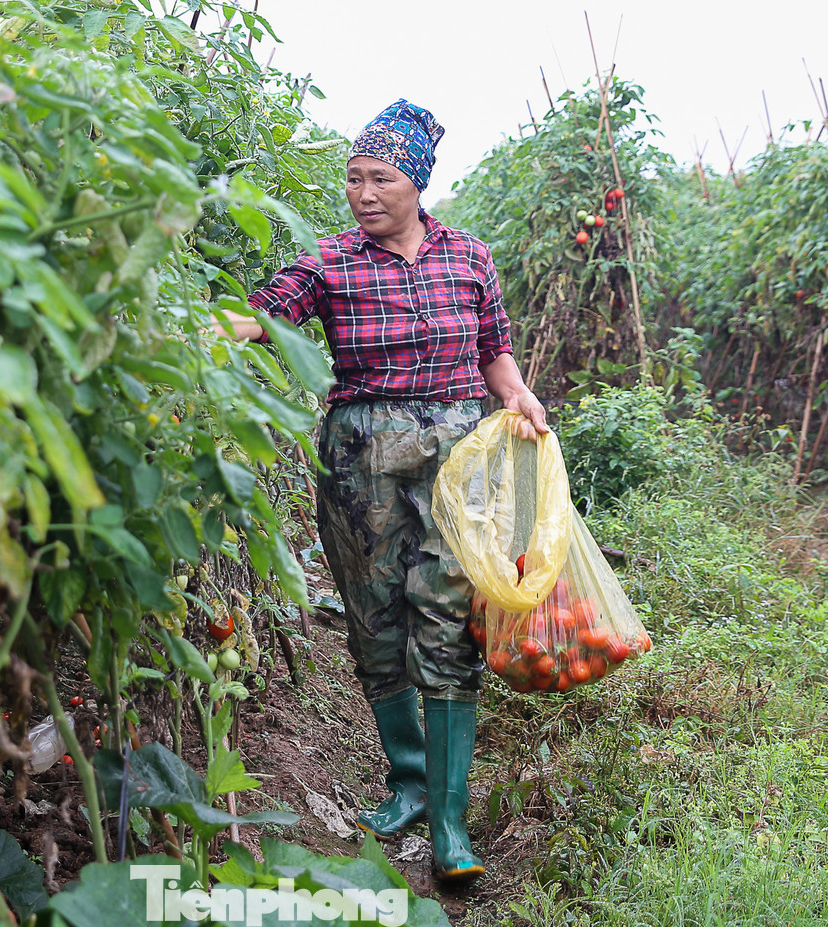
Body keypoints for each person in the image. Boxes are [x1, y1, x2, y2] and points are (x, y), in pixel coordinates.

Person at [222, 100, 548, 881]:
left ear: (416, 183)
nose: (363, 193)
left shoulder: (469, 257)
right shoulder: (330, 261)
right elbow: (253, 318)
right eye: (354, 179)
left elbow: (495, 353)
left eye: (380, 179)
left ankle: (448, 824)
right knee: (375, 620)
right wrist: (186, 333)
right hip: (360, 455)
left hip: (458, 456)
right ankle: (406, 782)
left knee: (446, 620)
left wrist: (521, 396)